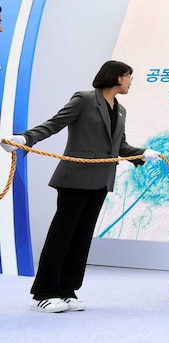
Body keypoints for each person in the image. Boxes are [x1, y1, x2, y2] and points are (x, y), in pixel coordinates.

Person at [1, 60, 159, 313]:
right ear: (116, 77)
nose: (131, 81)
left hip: (101, 181)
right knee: (61, 236)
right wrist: (24, 139)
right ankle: (44, 292)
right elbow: (54, 123)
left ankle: (67, 290)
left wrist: (142, 153)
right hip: (75, 179)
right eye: (129, 76)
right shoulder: (84, 99)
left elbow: (119, 148)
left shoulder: (121, 110)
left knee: (81, 238)